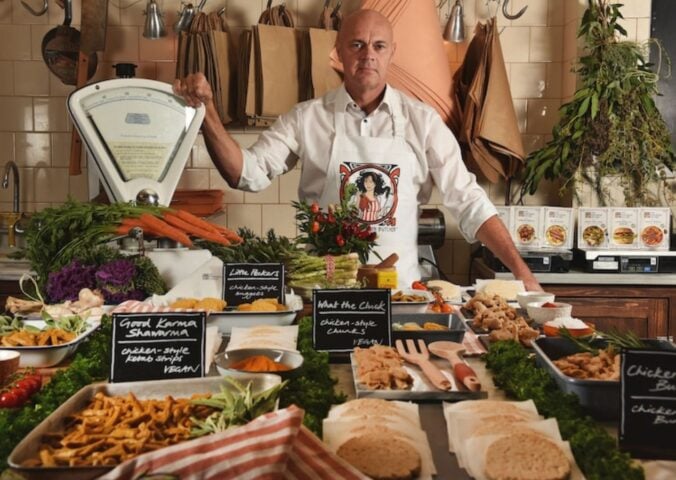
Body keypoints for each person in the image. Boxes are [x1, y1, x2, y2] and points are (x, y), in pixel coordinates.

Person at [173, 9, 542, 291]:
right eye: (357, 44)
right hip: (326, 292)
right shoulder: (307, 118)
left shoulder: (423, 122)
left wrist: (524, 275)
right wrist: (207, 114)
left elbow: (470, 202)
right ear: (338, 52)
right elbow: (246, 174)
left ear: (392, 53)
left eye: (379, 46)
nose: (368, 55)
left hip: (400, 295)